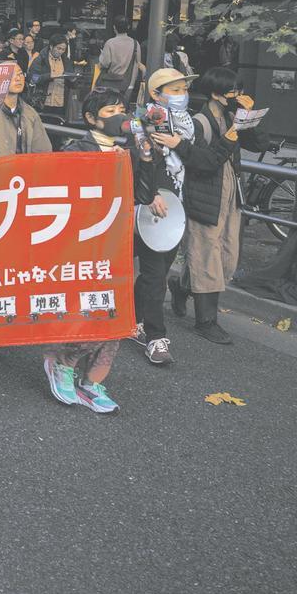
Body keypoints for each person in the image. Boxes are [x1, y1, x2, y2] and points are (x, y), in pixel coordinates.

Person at [45, 88, 158, 412]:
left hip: (116, 244)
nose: (119, 116)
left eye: (122, 109)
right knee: (83, 310)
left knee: (116, 313)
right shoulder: (75, 150)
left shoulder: (129, 151)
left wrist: (146, 157)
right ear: (91, 119)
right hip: (82, 246)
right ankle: (63, 363)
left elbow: (144, 195)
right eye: (110, 112)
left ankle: (93, 379)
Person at [168, 67, 268, 344]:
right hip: (204, 193)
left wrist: (249, 117)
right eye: (233, 91)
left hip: (231, 192)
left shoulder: (232, 116)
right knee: (206, 255)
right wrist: (231, 135)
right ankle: (206, 321)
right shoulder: (198, 122)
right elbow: (203, 162)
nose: (238, 95)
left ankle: (181, 286)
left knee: (227, 255)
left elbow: (261, 144)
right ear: (216, 93)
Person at [129, 68, 209, 365]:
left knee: (158, 271)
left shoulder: (189, 124)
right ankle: (155, 338)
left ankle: (134, 319)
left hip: (179, 208)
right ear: (155, 94)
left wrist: (180, 145)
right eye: (174, 90)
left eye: (183, 89)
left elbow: (205, 161)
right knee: (154, 274)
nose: (181, 95)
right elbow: (139, 161)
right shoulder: (143, 120)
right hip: (151, 206)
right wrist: (149, 193)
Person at [0, 62, 52, 157]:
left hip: (23, 165)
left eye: (20, 74)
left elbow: (43, 152)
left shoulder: (30, 113)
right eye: (11, 75)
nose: (18, 78)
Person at [98, 18, 143, 102]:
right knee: (123, 106)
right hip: (128, 83)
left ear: (114, 28)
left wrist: (101, 57)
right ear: (128, 27)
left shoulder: (110, 43)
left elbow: (105, 63)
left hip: (111, 82)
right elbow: (138, 64)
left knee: (111, 105)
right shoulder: (135, 43)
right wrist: (132, 84)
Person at [28, 35, 71, 117]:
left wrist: (73, 80)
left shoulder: (66, 61)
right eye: (58, 48)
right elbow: (33, 78)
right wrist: (49, 76)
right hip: (42, 103)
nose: (60, 51)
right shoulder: (41, 59)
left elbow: (71, 83)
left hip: (60, 103)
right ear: (51, 46)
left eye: (63, 49)